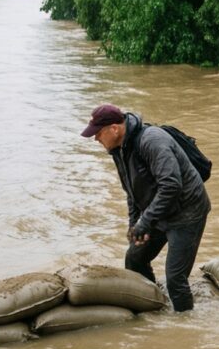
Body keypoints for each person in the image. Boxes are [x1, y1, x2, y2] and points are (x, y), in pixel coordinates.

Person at [82, 104, 211, 312]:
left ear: (114, 129)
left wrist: (145, 221)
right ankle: (154, 307)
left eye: (98, 134)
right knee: (134, 258)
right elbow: (132, 192)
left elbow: (171, 185)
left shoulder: (152, 141)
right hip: (159, 211)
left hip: (187, 212)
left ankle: (185, 327)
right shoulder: (119, 150)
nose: (96, 139)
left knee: (176, 279)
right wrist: (135, 225)